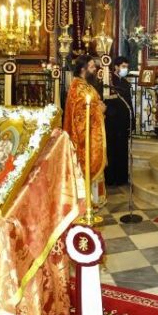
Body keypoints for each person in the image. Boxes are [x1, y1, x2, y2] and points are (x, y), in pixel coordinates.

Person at [64, 54, 107, 206]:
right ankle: (86, 203)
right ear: (83, 69)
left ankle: (95, 199)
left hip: (91, 133)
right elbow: (79, 115)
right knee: (86, 165)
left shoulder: (85, 85)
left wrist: (98, 107)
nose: (95, 69)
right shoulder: (77, 87)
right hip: (83, 138)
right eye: (92, 66)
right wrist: (99, 110)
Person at [104, 56, 133, 186]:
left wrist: (131, 121)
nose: (125, 69)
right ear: (116, 67)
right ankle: (111, 178)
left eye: (127, 67)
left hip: (123, 122)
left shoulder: (125, 83)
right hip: (112, 122)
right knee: (112, 150)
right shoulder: (109, 81)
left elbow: (129, 103)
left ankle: (121, 178)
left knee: (122, 150)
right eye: (123, 66)